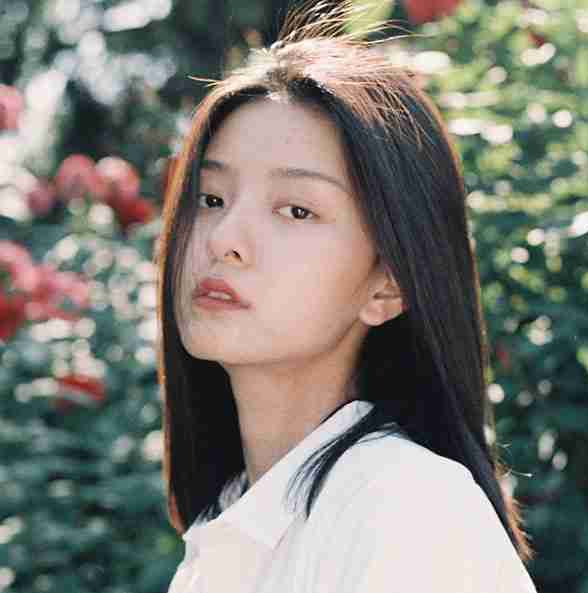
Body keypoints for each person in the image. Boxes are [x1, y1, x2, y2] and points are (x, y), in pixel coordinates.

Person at [154, 1, 539, 591]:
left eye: (296, 210)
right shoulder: (233, 524)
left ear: (389, 283)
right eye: (211, 199)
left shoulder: (407, 509)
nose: (223, 239)